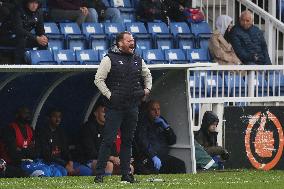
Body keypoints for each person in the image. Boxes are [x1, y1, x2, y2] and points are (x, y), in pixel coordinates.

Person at [94, 31, 152, 183]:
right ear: (119, 43)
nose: (132, 42)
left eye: (132, 40)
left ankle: (126, 174)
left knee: (127, 140)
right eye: (128, 40)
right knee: (108, 140)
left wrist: (147, 89)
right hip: (114, 107)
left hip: (132, 106)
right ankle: (99, 174)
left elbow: (147, 75)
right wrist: (109, 95)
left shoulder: (138, 59)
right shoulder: (109, 58)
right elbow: (98, 79)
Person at [35, 108, 92, 176]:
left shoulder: (61, 132)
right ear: (48, 118)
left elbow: (66, 150)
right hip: (50, 162)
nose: (57, 119)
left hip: (63, 162)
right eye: (55, 116)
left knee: (87, 172)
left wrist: (70, 161)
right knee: (62, 172)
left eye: (59, 117)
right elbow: (46, 155)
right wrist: (65, 165)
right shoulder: (42, 133)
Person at [136, 100, 186, 174]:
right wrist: (153, 156)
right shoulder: (143, 123)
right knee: (152, 170)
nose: (157, 112)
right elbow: (143, 141)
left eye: (158, 109)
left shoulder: (161, 121)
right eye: (153, 110)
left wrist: (167, 128)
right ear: (148, 111)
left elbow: (172, 140)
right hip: (148, 157)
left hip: (162, 157)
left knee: (179, 164)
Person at [3, 107, 51, 176]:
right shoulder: (9, 129)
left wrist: (21, 149)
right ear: (17, 115)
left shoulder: (30, 129)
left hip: (29, 162)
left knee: (50, 169)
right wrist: (28, 150)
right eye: (25, 113)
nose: (28, 115)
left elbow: (37, 151)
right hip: (13, 164)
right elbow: (13, 153)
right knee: (41, 172)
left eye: (28, 113)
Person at [0, 0, 48, 64]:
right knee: (22, 40)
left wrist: (43, 36)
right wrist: (36, 38)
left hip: (24, 37)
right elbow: (18, 30)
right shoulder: (18, 10)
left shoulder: (39, 12)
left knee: (43, 42)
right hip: (8, 36)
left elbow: (40, 30)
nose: (34, 5)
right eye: (32, 2)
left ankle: (42, 63)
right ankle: (18, 65)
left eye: (36, 3)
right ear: (27, 3)